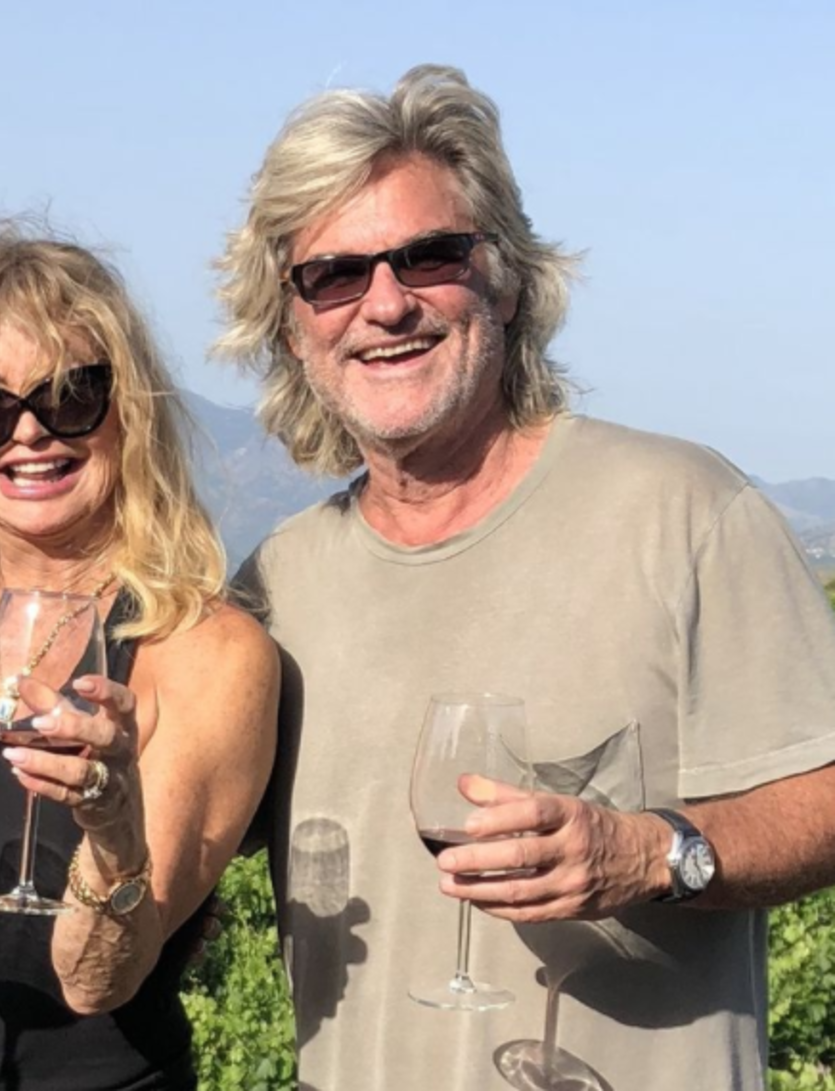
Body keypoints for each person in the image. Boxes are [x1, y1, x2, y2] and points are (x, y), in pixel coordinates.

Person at [215, 64, 835, 1091]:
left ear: (504, 280)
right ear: (291, 325)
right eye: (334, 275)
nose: (386, 303)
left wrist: (654, 853)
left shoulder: (683, 509)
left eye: (430, 256)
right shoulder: (277, 586)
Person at [0, 220, 279, 1091]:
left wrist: (112, 828)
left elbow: (97, 980)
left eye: (70, 394)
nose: (28, 433)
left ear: (130, 411)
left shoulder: (205, 654)